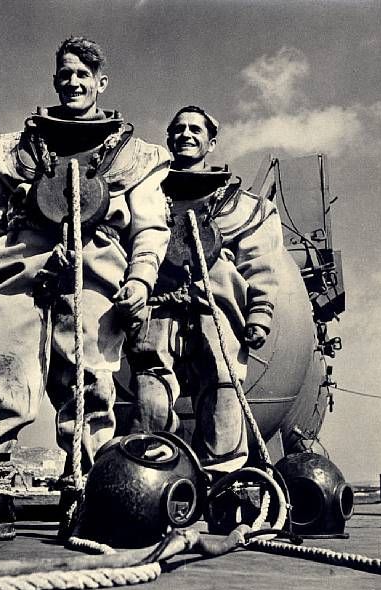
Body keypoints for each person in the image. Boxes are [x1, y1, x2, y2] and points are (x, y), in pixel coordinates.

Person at [0, 37, 170, 528]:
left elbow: (150, 228)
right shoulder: (9, 151)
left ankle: (87, 491)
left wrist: (140, 279)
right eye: (65, 73)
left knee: (89, 381)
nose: (72, 82)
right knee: (1, 372)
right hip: (19, 268)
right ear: (55, 79)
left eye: (83, 75)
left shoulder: (136, 157)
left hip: (95, 271)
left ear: (101, 83)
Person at [126, 106, 283, 475]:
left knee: (222, 387)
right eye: (178, 128)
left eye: (196, 129)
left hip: (216, 313)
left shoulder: (243, 208)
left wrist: (259, 314)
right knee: (150, 391)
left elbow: (260, 263)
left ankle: (222, 475)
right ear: (169, 140)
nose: (186, 134)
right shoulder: (145, 198)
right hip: (158, 311)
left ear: (211, 143)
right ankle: (153, 473)